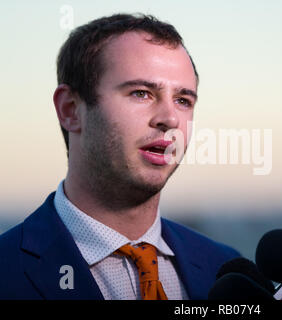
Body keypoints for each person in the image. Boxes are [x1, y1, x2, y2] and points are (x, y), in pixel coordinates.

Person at [0, 13, 240, 300]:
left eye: (183, 100)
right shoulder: (7, 271)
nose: (170, 119)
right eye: (141, 93)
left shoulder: (226, 270)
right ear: (71, 109)